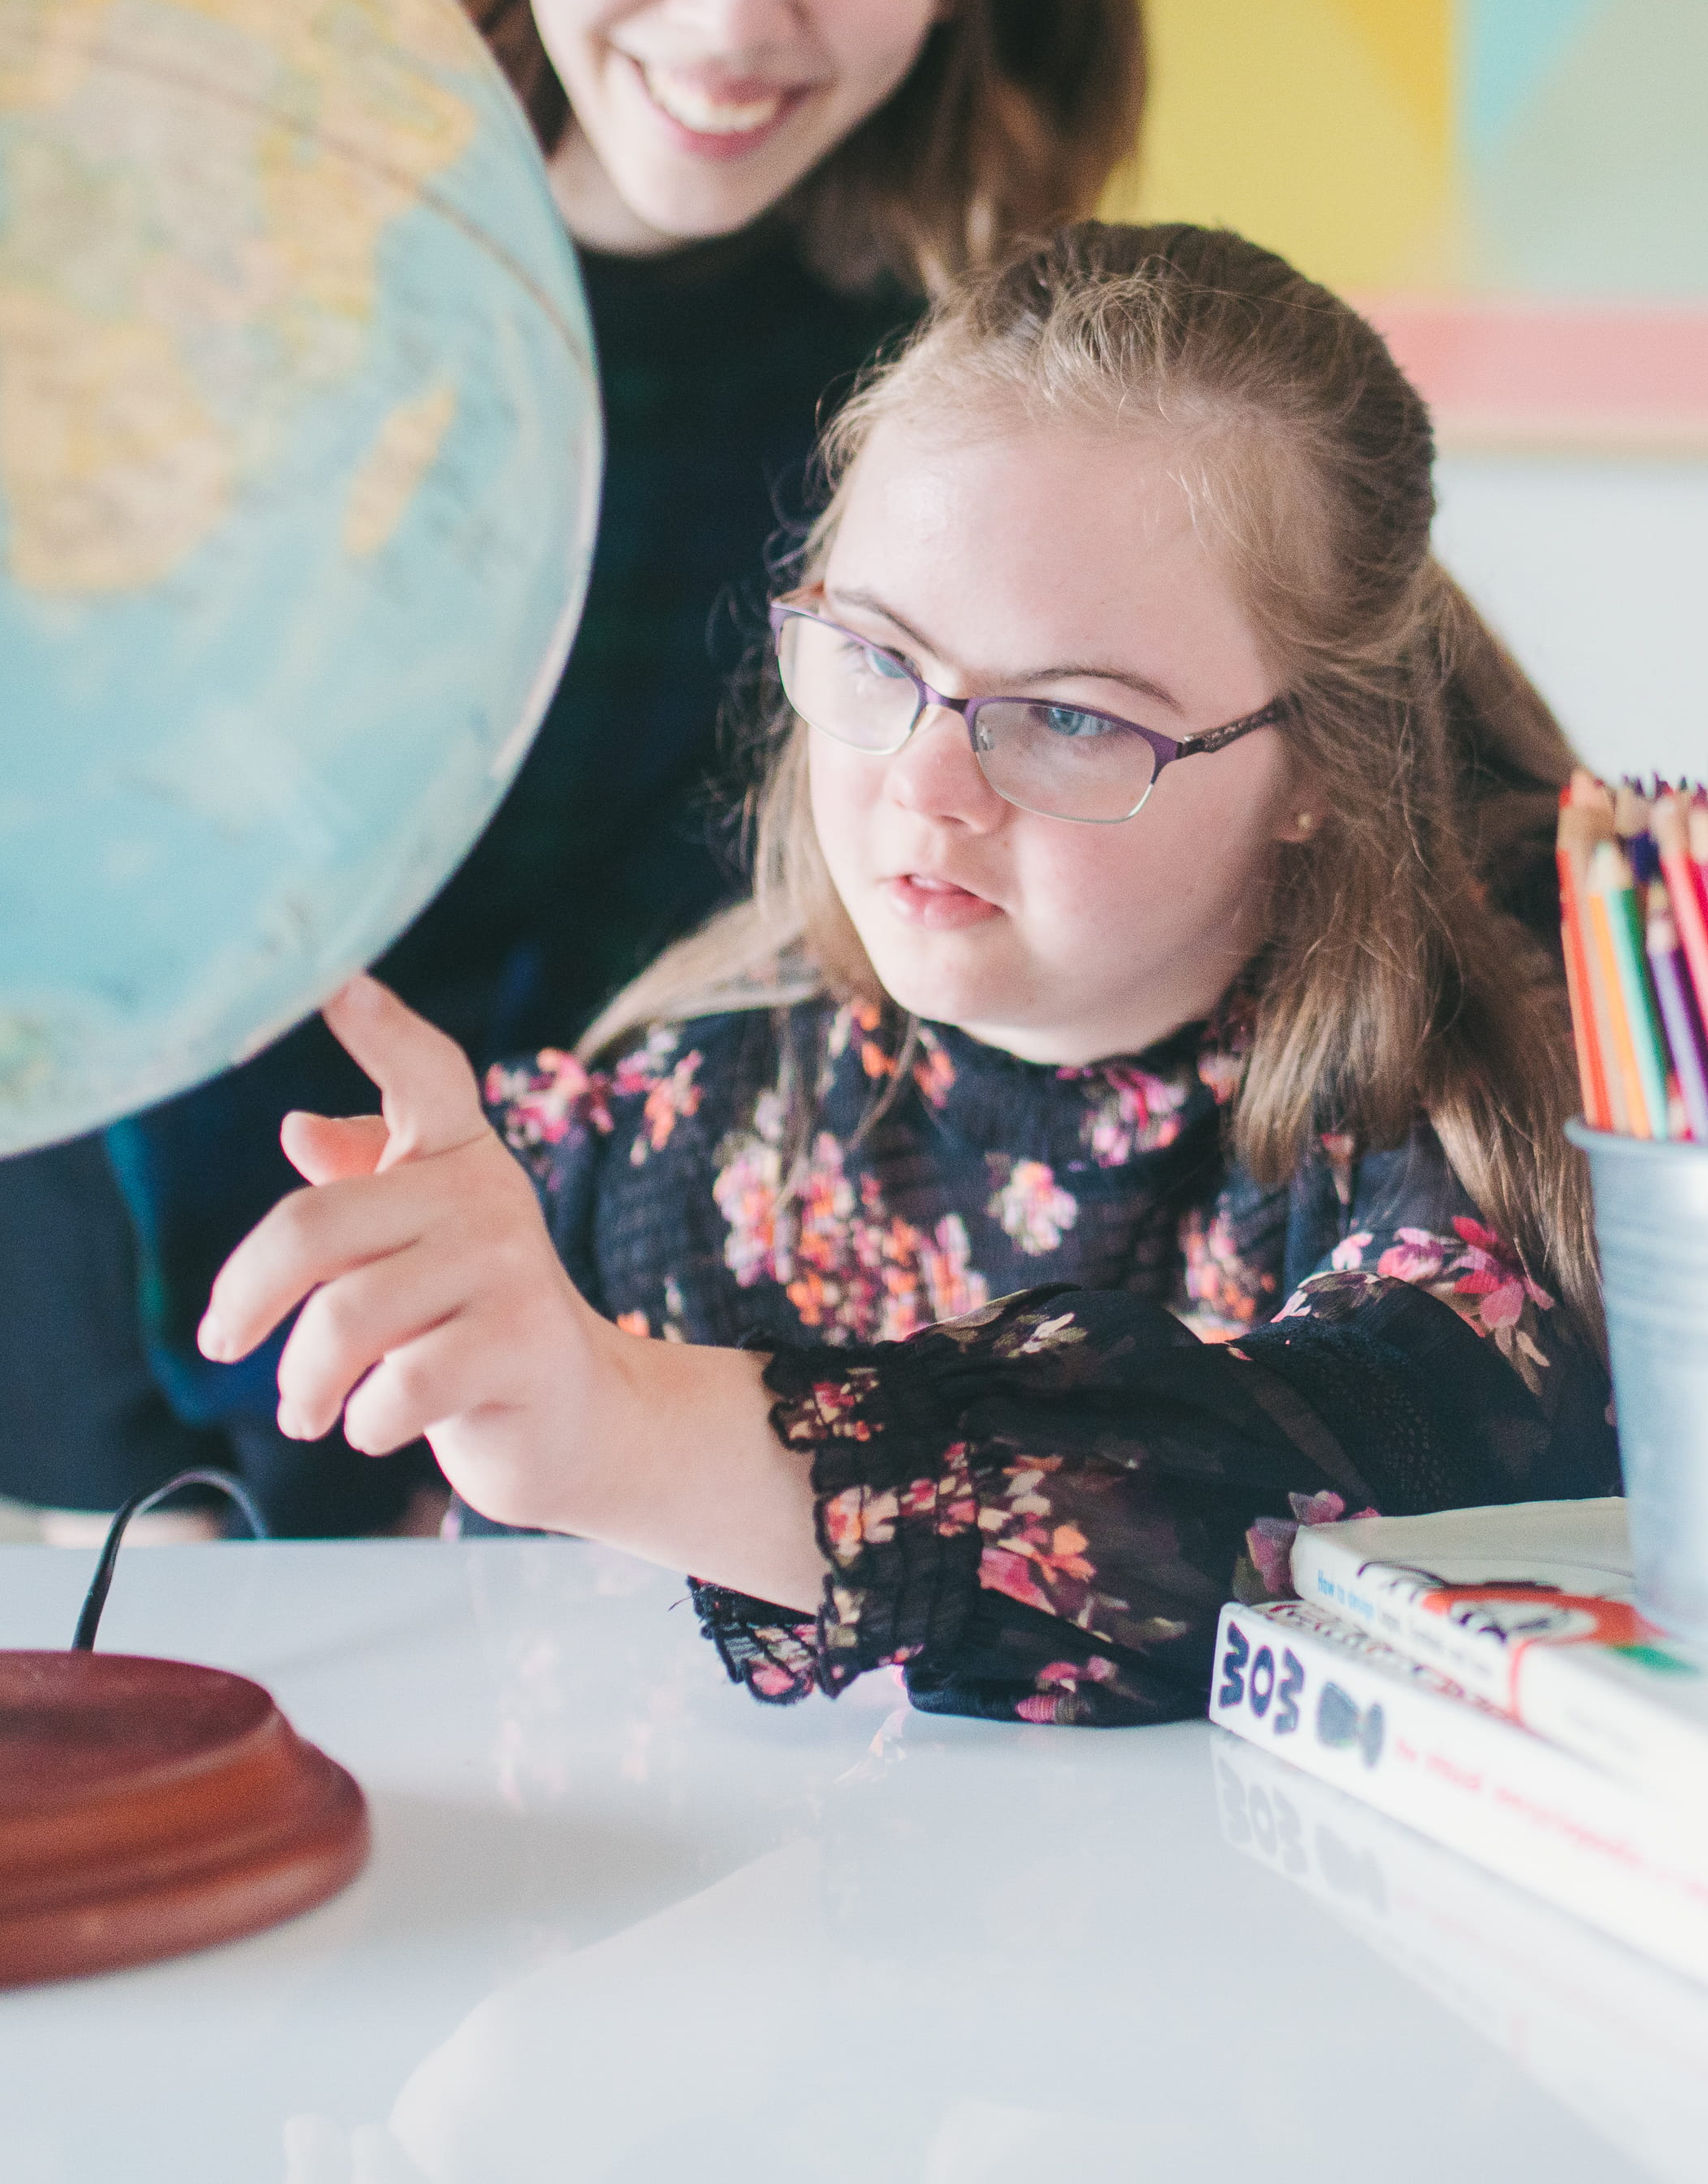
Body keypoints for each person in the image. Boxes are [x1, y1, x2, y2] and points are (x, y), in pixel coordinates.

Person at [0, 0, 1145, 1535]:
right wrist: (355, 1443)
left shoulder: (977, 392)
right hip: (141, 1379)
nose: (731, 4)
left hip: (631, 1408)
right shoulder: (234, 258)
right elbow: (112, 882)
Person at [201, 222, 1616, 1722]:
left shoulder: (1492, 1081)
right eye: (878, 661)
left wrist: (620, 1422)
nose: (931, 783)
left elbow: (1381, 1504)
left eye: (1069, 717)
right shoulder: (690, 1124)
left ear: (1320, 758)